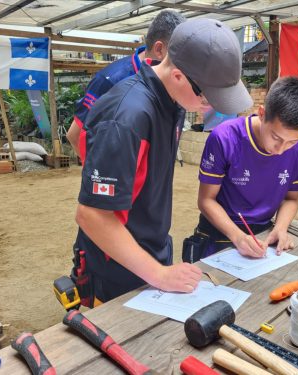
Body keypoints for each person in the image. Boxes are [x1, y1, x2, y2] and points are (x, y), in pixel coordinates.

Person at [72, 18, 253, 306]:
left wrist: (160, 268)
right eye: (208, 97)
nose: (212, 106)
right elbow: (92, 215)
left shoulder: (174, 101)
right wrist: (158, 274)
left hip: (150, 251)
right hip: (113, 269)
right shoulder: (126, 118)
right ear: (179, 76)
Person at [191, 76, 298, 260]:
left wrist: (280, 228)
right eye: (276, 137)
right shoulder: (225, 138)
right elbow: (206, 200)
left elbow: (291, 199)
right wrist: (238, 237)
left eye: (292, 142)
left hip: (264, 236)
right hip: (219, 234)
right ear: (261, 113)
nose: (281, 149)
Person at [66, 10, 186, 157]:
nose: (186, 62)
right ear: (159, 49)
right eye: (180, 53)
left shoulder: (176, 82)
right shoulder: (110, 80)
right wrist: (100, 174)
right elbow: (75, 135)